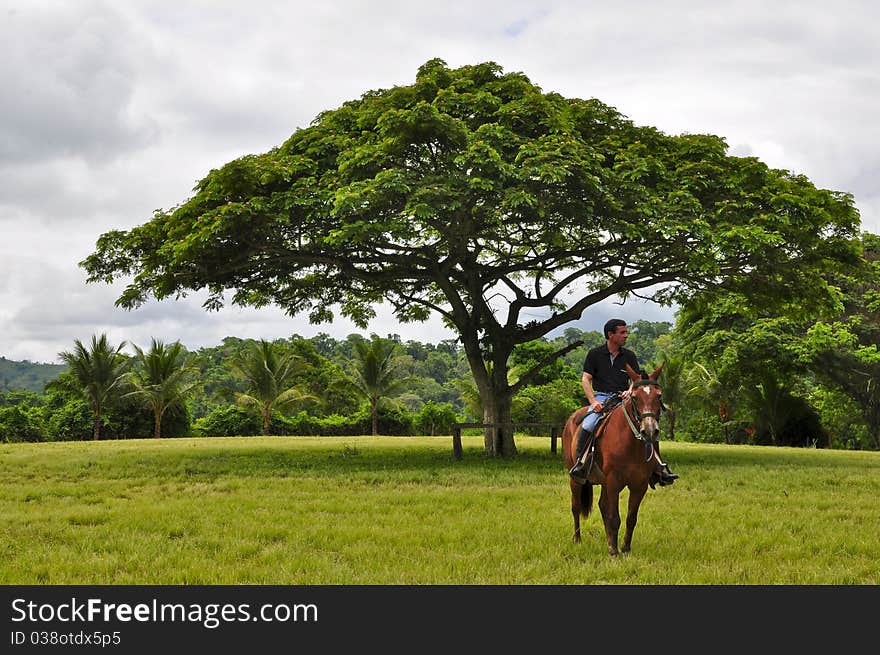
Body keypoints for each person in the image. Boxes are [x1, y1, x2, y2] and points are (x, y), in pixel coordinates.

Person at [568, 318, 679, 487]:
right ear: (610, 334)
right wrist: (593, 401)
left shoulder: (629, 355)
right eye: (622, 332)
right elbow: (585, 379)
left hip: (624, 397)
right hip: (602, 397)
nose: (626, 335)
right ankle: (580, 464)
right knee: (589, 424)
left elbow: (636, 378)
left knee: (648, 425)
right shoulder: (595, 354)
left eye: (626, 332)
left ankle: (658, 467)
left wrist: (630, 390)